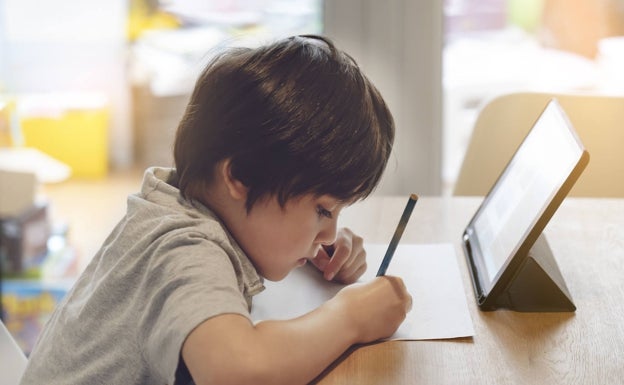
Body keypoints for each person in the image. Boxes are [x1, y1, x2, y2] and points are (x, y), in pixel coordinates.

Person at [20, 34, 412, 385]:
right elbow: (237, 371)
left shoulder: (178, 204)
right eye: (323, 211)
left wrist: (310, 246)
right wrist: (350, 318)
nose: (329, 234)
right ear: (241, 175)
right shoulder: (183, 247)